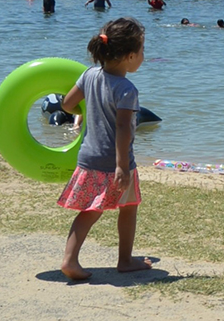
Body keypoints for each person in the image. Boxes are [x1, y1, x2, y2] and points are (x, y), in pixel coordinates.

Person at [57, 17, 152, 280]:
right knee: (129, 206)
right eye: (142, 51)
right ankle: (125, 260)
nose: (143, 56)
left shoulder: (89, 75)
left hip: (89, 156)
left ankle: (70, 259)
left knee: (89, 210)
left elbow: (67, 105)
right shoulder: (127, 89)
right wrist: (122, 166)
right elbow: (123, 128)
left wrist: (91, 107)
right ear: (129, 56)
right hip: (116, 160)